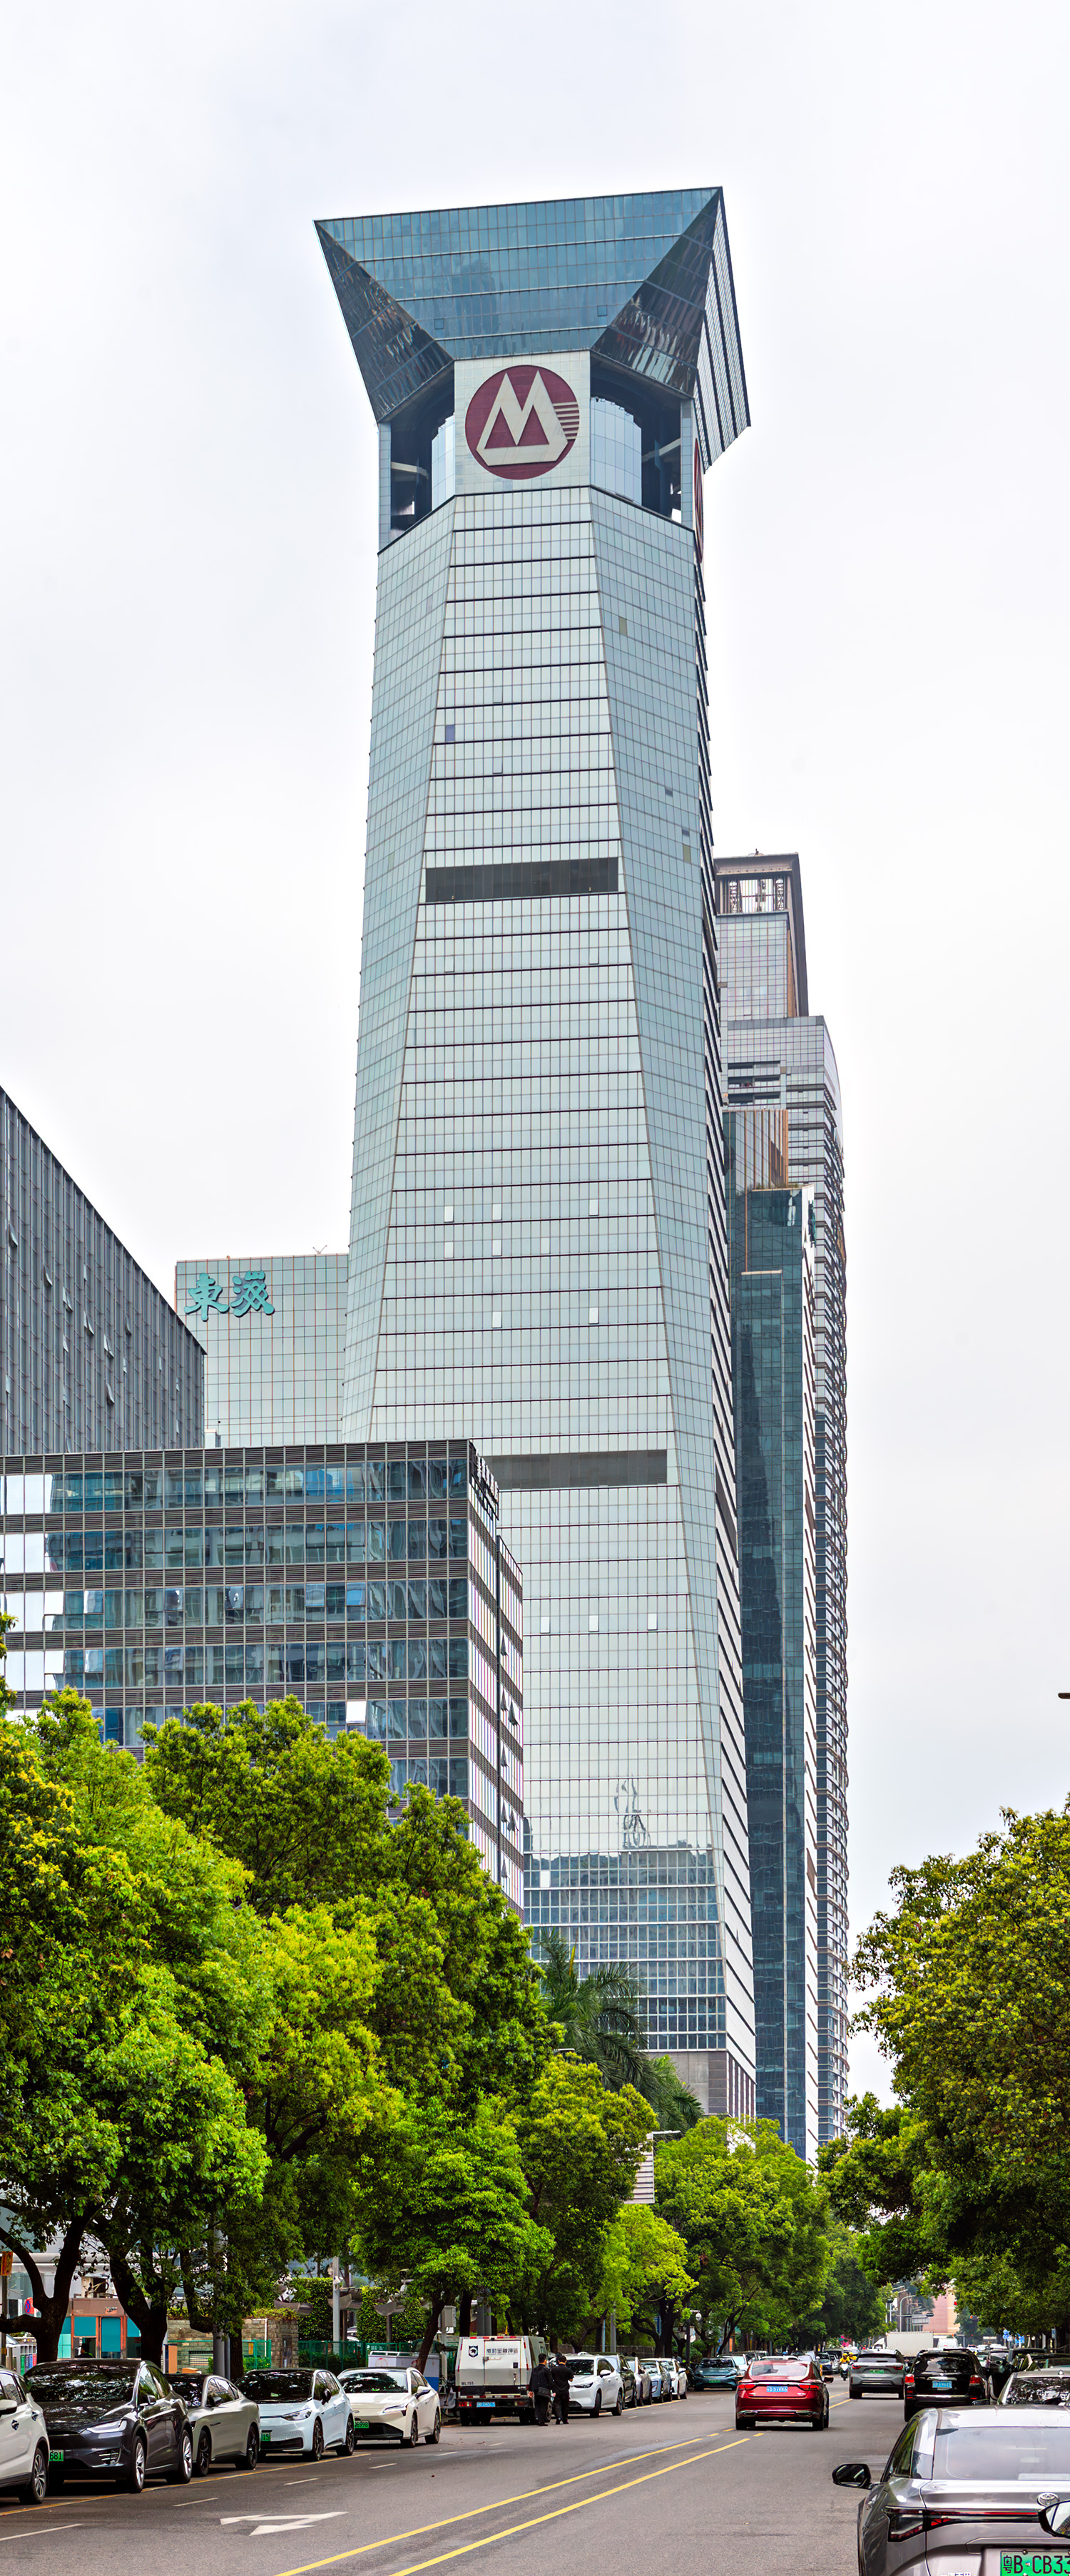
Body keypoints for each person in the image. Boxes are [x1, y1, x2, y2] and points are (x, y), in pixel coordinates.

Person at [531, 2354, 551, 2426]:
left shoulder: (534, 2370)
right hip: (544, 2390)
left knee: (537, 2405)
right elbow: (550, 2381)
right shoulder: (546, 2370)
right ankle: (541, 2420)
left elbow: (532, 2380)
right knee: (544, 2406)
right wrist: (552, 2389)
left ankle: (537, 2418)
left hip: (536, 2390)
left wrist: (531, 2390)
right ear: (545, 2361)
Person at [550, 2351, 570, 2425]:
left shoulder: (554, 2370)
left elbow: (551, 2378)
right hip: (565, 2389)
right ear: (565, 2361)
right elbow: (571, 2379)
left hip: (557, 2389)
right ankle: (565, 2419)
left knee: (557, 2404)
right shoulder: (568, 2370)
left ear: (558, 2361)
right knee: (565, 2405)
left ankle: (558, 2417)